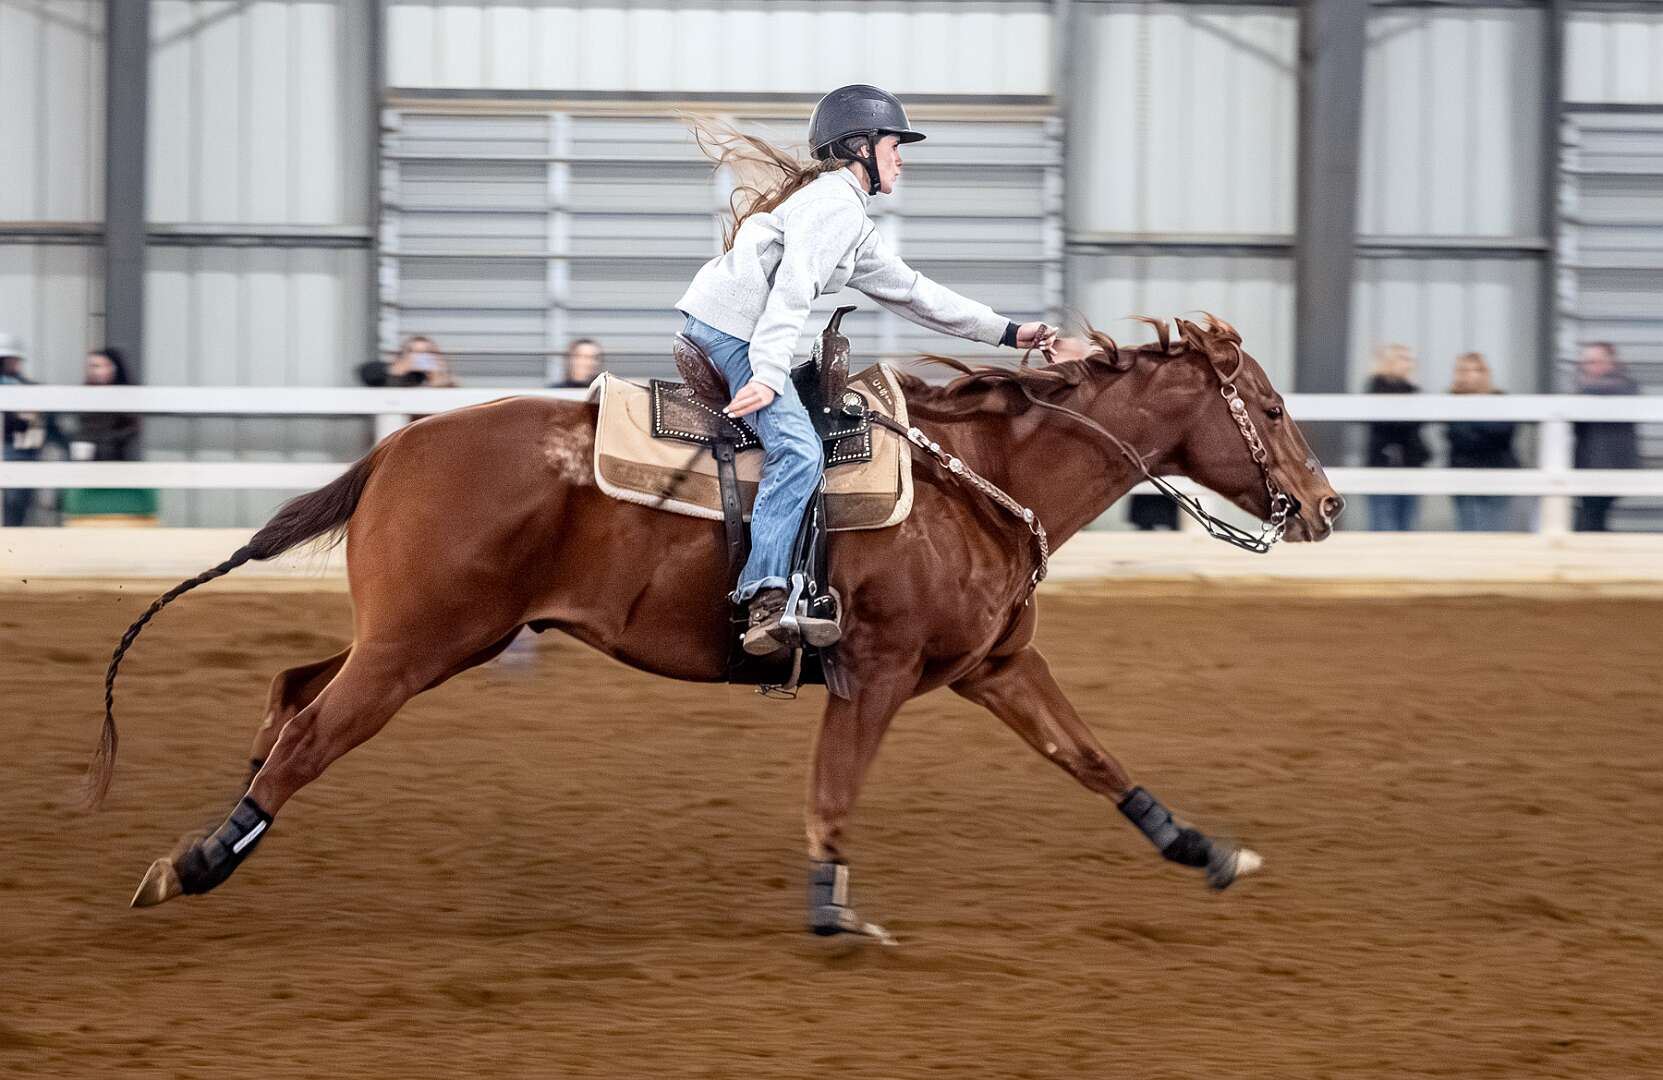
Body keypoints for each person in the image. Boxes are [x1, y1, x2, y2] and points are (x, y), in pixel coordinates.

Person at [675, 84, 1057, 655]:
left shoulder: (846, 214)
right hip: (733, 333)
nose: (900, 159)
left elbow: (915, 293)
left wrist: (1007, 332)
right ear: (860, 148)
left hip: (733, 327)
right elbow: (792, 292)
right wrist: (768, 374)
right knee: (799, 451)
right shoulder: (833, 205)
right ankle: (765, 598)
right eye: (893, 146)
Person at [1444, 352, 1517, 532]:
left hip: (1498, 473)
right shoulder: (1451, 400)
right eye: (1466, 370)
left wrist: (1473, 424)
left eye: (1476, 370)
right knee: (1469, 530)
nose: (1471, 374)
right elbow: (1459, 437)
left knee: (1496, 531)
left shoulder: (1500, 398)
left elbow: (1504, 432)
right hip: (1464, 473)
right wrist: (1486, 427)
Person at [1572, 342, 1639, 532]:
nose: (1589, 367)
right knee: (1593, 517)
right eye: (1585, 363)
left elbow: (1614, 391)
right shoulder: (1585, 389)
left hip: (1609, 464)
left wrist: (1582, 387)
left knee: (1591, 517)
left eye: (1594, 361)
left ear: (1610, 362)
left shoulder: (1623, 386)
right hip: (1588, 464)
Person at [1363, 344, 1429, 532]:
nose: (1409, 364)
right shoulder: (1376, 387)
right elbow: (1392, 424)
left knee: (1407, 522)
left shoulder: (1412, 390)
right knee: (1383, 522)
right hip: (1383, 463)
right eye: (1403, 358)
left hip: (1410, 463)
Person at [2, 334, 55, 526]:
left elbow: (34, 426)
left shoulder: (29, 388)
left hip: (19, 450)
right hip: (13, 449)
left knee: (15, 503)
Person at [74, 347, 141, 461]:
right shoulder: (82, 394)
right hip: (86, 454)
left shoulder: (126, 395)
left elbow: (132, 428)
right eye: (91, 366)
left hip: (117, 455)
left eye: (98, 366)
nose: (93, 371)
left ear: (113, 368)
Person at [357, 336, 459, 388]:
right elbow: (367, 373)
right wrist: (396, 371)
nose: (420, 357)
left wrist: (437, 378)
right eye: (413, 352)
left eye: (426, 352)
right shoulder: (396, 373)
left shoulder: (444, 375)